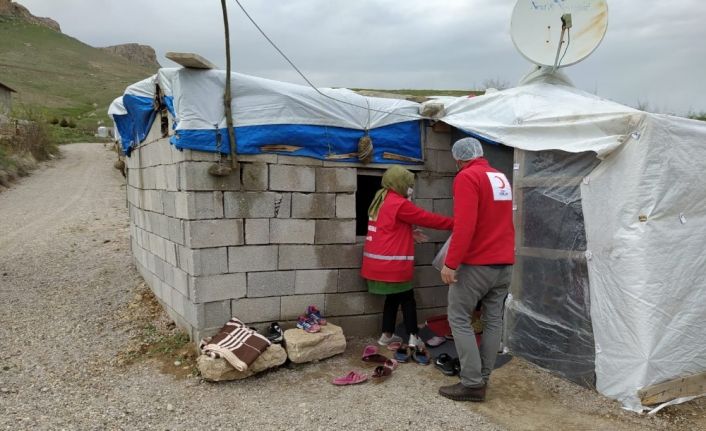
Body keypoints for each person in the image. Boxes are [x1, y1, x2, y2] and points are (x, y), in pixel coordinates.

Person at [438, 137, 515, 402]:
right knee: (494, 320)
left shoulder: (467, 177)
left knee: (459, 316)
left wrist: (451, 262)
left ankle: (471, 384)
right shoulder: (500, 177)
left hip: (477, 264)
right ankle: (482, 378)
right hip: (504, 264)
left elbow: (465, 225)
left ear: (459, 159)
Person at [361, 165, 453, 351]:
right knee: (408, 299)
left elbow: (388, 228)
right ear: (400, 183)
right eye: (409, 184)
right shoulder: (399, 203)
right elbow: (426, 218)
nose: (411, 188)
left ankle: (386, 335)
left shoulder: (380, 199)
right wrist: (457, 223)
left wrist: (408, 233)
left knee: (393, 298)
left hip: (376, 263)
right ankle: (414, 337)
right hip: (393, 264)